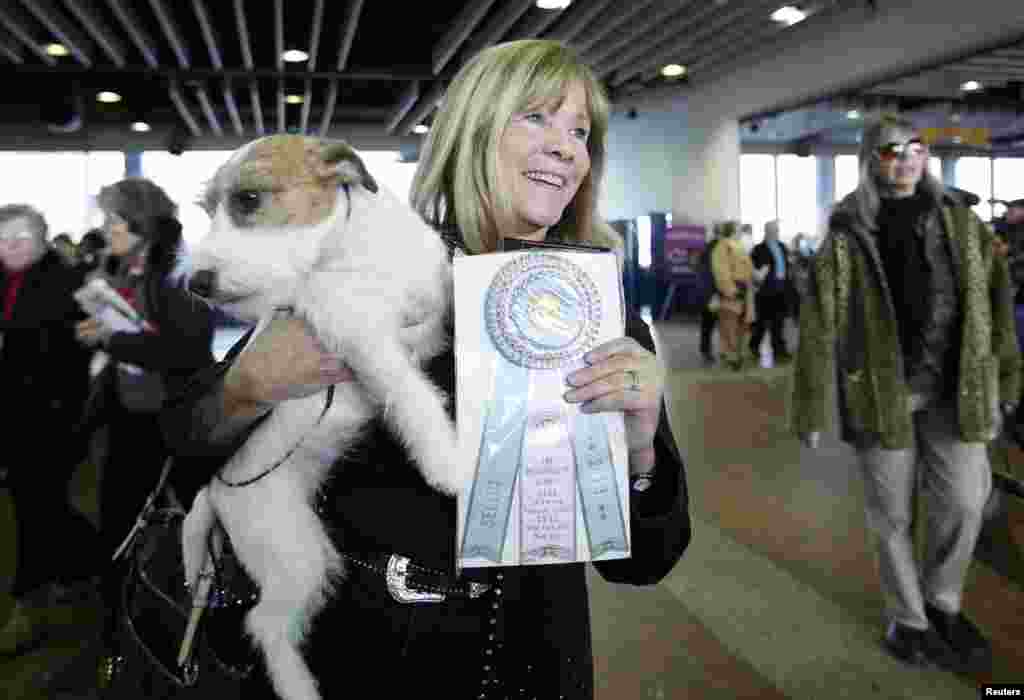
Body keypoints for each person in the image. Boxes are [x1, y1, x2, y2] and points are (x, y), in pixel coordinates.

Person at [161, 39, 690, 699]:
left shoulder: (602, 319)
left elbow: (645, 562)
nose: (565, 146)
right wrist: (246, 388)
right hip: (357, 663)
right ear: (471, 132)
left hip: (531, 668)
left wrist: (640, 449)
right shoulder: (366, 273)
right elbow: (184, 454)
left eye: (580, 131)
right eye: (536, 118)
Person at [791, 113, 1020, 671]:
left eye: (915, 147)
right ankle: (909, 619)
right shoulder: (847, 233)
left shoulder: (962, 222)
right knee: (891, 516)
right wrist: (814, 406)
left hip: (955, 391)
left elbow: (995, 304)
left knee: (966, 503)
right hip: (881, 395)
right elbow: (821, 323)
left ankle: (943, 602)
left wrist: (1007, 379)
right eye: (892, 151)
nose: (906, 158)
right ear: (874, 160)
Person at [71, 178, 216, 677]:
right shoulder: (127, 268)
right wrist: (101, 332)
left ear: (142, 224)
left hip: (166, 427)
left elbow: (188, 353)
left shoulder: (180, 274)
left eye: (115, 221)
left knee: (163, 534)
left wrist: (115, 341)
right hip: (129, 420)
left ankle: (155, 634)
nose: (106, 229)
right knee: (119, 527)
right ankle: (122, 626)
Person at [0, 204, 103, 655]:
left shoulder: (71, 283)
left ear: (42, 239)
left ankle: (28, 604)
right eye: (2, 239)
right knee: (40, 501)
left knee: (33, 503)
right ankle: (88, 563)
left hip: (53, 415)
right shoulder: (2, 276)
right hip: (11, 411)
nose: (9, 248)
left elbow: (88, 347)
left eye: (20, 239)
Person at [709, 219, 754, 370]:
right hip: (732, 292)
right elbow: (721, 271)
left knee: (742, 325)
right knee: (729, 325)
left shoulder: (739, 246)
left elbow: (747, 267)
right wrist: (730, 290)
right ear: (732, 230)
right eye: (738, 228)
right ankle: (731, 356)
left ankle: (740, 354)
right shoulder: (723, 246)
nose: (741, 230)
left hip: (744, 290)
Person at [749, 219, 792, 363]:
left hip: (781, 290)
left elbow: (787, 266)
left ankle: (779, 350)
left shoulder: (783, 247)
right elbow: (754, 270)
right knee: (761, 323)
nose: (776, 232)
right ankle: (754, 347)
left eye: (777, 230)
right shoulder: (758, 249)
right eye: (773, 230)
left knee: (778, 323)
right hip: (765, 292)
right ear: (767, 231)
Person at [697, 224, 723, 365]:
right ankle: (706, 351)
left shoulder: (709, 247)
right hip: (713, 293)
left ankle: (706, 350)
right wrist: (712, 294)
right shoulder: (714, 248)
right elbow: (707, 273)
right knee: (709, 322)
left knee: (709, 323)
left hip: (712, 292)